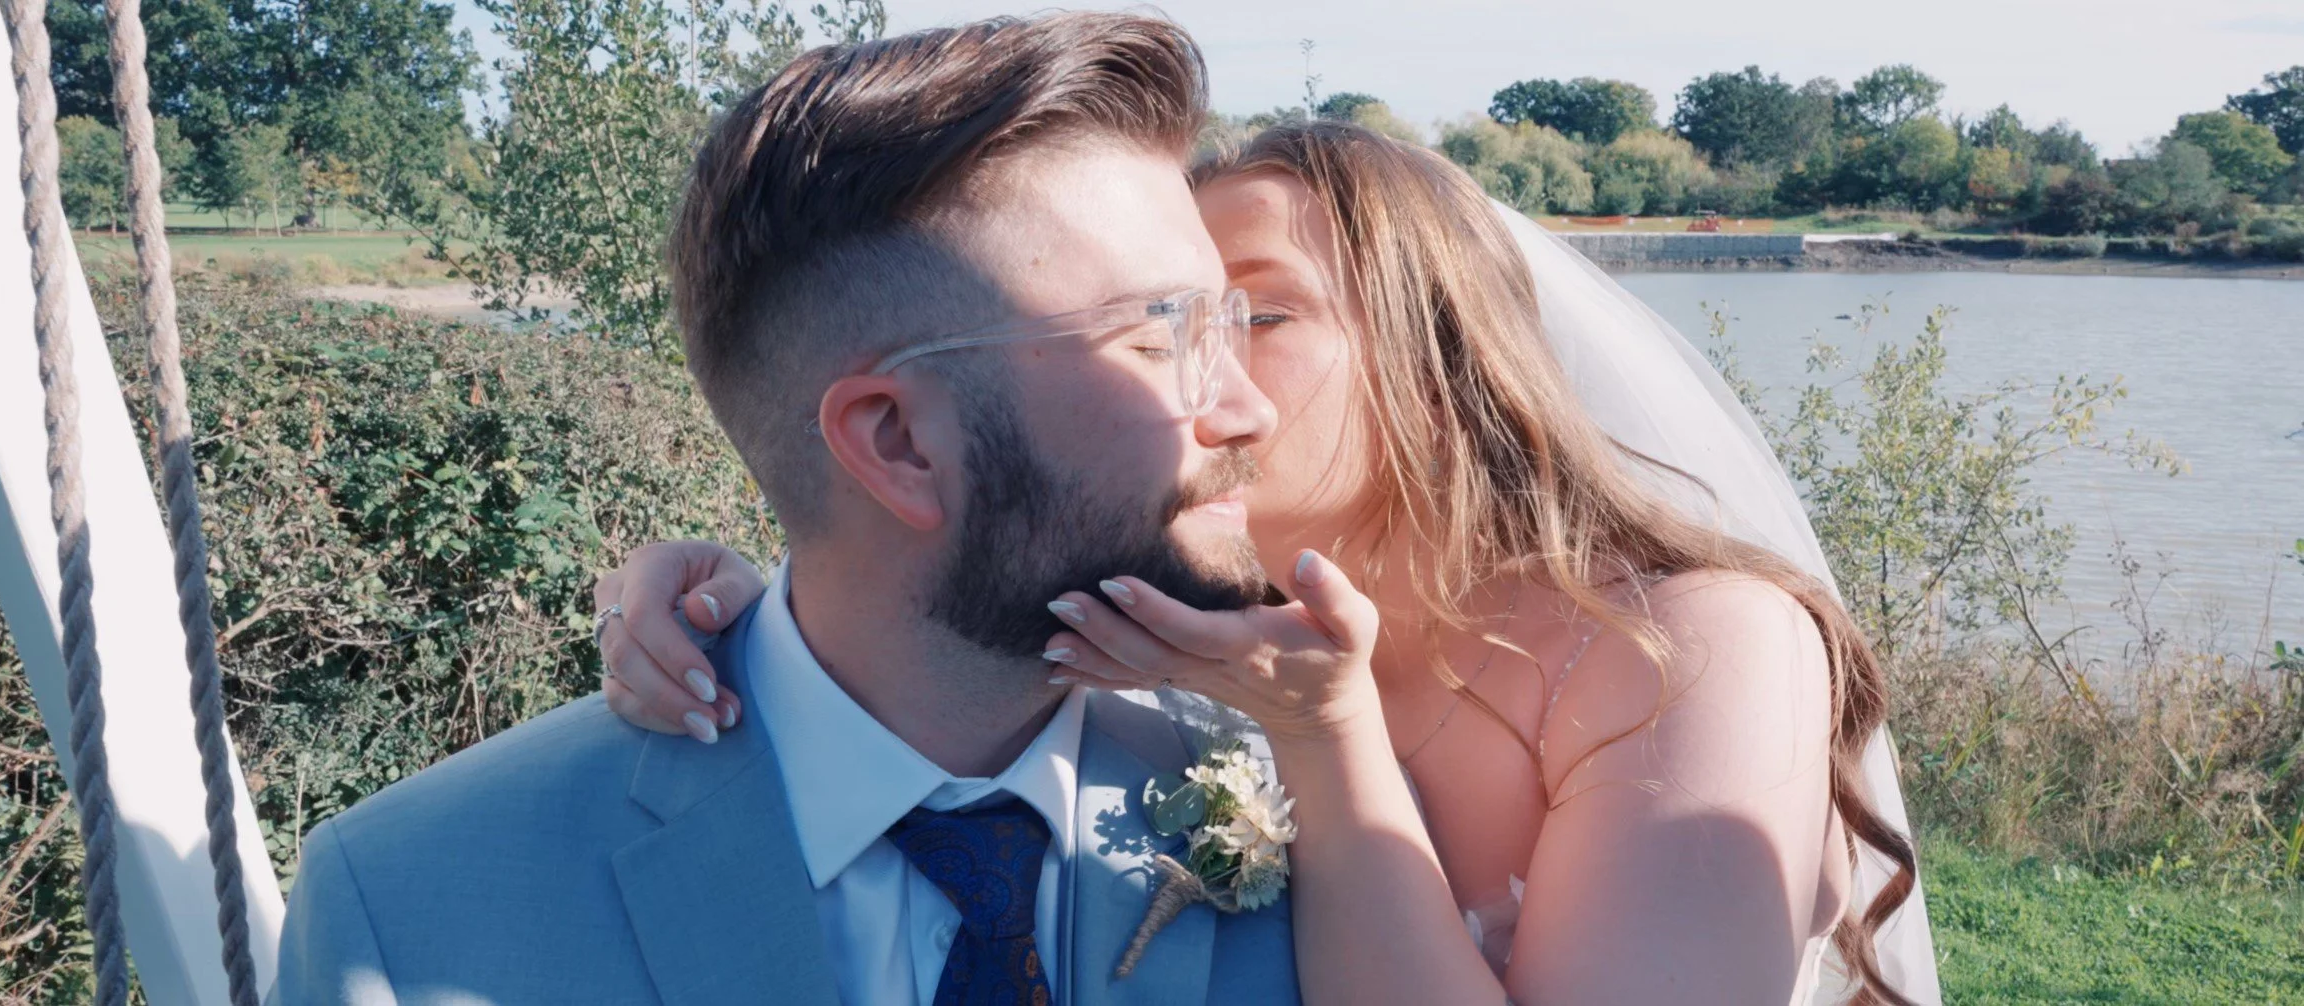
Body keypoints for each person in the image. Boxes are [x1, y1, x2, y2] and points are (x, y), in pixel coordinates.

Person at [595, 123, 1944, 1003]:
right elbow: (911, 578)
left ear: (1437, 361)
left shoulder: (1686, 648)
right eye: (1166, 320)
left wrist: (1329, 734)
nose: (1201, 379)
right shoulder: (1196, 616)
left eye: (1259, 314)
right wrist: (707, 594)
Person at [273, 14, 1309, 1005]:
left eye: (1229, 324)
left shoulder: (1332, 796)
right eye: (1156, 337)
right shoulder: (407, 918)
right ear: (897, 444)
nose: (1248, 407)